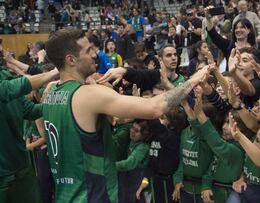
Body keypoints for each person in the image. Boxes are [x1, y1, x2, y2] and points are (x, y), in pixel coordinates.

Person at [42, 28, 209, 202]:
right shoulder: (87, 95)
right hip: (92, 196)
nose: (95, 54)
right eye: (88, 50)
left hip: (65, 195)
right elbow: (154, 108)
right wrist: (192, 80)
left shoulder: (50, 92)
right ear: (71, 60)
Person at [0, 64, 58, 203]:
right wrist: (53, 73)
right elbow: (9, 89)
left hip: (22, 168)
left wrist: (59, 97)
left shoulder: (5, 75)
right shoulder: (8, 85)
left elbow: (31, 110)